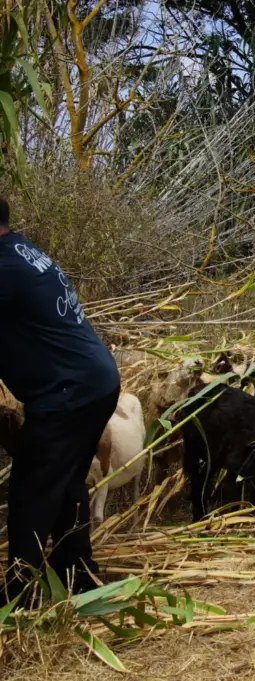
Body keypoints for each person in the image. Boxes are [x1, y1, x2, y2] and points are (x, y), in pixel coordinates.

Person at [0, 196, 121, 603]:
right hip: (94, 382)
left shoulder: (4, 268)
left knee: (32, 490)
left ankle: (20, 594)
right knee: (66, 482)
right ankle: (76, 572)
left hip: (67, 393)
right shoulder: (22, 249)